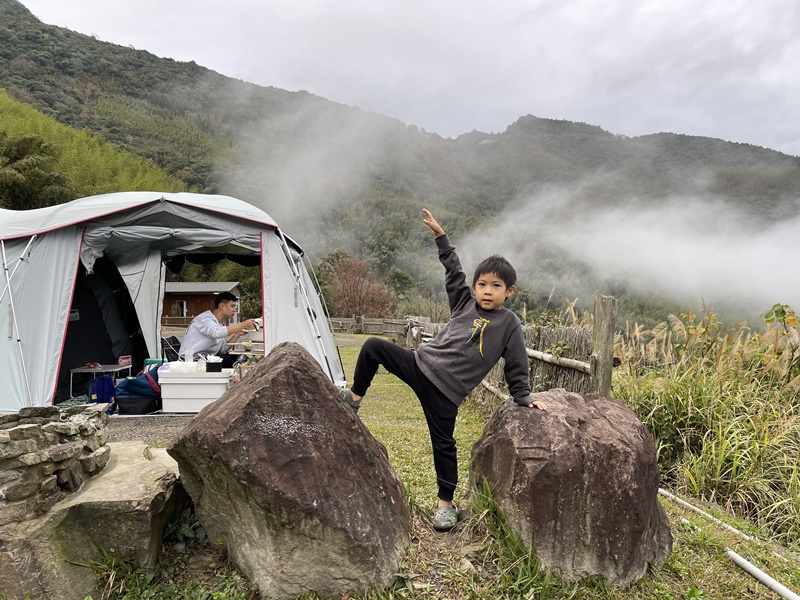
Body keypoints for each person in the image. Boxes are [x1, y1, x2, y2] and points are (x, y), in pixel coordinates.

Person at [339, 208, 547, 532]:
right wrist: (441, 237)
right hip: (420, 365)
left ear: (510, 291)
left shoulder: (509, 324)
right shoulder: (464, 302)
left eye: (496, 286)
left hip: (447, 395)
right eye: (482, 284)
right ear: (475, 287)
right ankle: (354, 399)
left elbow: (517, 362)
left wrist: (522, 395)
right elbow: (453, 270)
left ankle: (445, 505)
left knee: (445, 446)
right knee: (372, 348)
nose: (487, 291)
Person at [179, 292, 255, 368]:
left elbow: (222, 349)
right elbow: (217, 333)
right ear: (222, 306)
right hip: (193, 361)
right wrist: (242, 325)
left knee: (242, 357)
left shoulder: (218, 323)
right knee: (238, 363)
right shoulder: (205, 319)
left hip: (207, 359)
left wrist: (237, 335)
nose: (235, 310)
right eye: (232, 306)